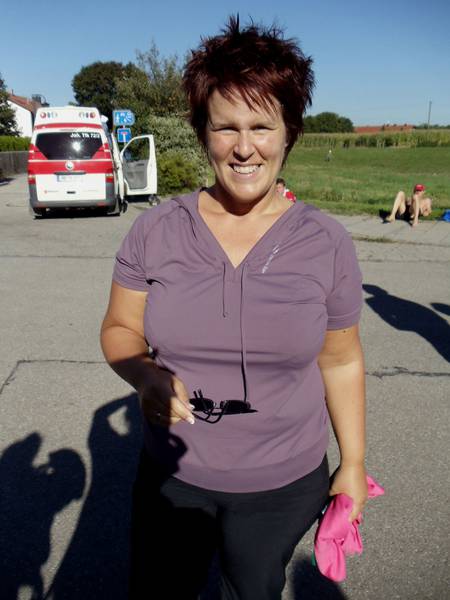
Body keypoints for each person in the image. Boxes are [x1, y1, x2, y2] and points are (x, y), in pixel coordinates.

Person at [100, 16, 368, 600]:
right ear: (204, 134)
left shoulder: (326, 242)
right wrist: (143, 373)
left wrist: (352, 462)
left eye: (262, 126)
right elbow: (120, 327)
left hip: (284, 485)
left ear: (290, 133)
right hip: (173, 477)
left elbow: (341, 360)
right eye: (226, 127)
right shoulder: (156, 231)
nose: (244, 147)